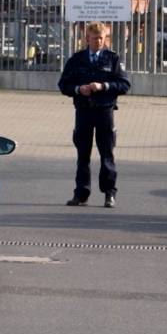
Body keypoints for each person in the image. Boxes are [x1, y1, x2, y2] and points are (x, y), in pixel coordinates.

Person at [58, 22, 131, 208]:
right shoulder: (77, 59)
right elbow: (63, 85)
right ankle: (81, 194)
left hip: (104, 111)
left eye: (102, 38)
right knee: (83, 154)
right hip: (83, 111)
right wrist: (78, 89)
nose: (98, 41)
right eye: (95, 38)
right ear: (87, 39)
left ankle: (109, 193)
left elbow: (124, 85)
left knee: (107, 154)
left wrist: (103, 86)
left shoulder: (112, 59)